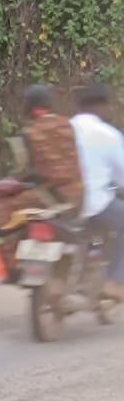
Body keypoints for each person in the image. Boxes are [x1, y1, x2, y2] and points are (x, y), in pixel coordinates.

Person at [0, 84, 86, 246]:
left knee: (0, 217)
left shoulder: (29, 134)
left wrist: (15, 182)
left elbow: (21, 170)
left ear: (30, 108)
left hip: (48, 198)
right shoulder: (70, 126)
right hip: (78, 196)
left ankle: (8, 266)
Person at [70, 82, 124, 300]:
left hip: (62, 204)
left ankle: (84, 275)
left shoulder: (64, 127)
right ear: (101, 106)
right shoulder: (108, 135)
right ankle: (115, 281)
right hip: (93, 205)